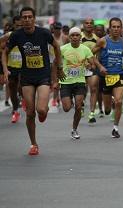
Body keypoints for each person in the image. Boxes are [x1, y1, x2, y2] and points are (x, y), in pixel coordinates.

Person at [2, 7, 64, 155]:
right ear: (21, 19)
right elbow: (5, 52)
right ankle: (33, 144)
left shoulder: (43, 33)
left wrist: (59, 66)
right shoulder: (17, 35)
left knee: (41, 110)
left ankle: (44, 111)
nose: (27, 20)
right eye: (24, 17)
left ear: (34, 19)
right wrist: (5, 70)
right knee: (30, 113)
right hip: (27, 77)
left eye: (30, 17)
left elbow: (56, 46)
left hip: (43, 75)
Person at [59, 27, 101, 139]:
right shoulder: (63, 49)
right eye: (72, 35)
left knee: (78, 107)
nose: (75, 37)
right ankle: (70, 102)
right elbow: (55, 64)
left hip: (80, 81)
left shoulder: (85, 50)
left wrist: (89, 65)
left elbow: (92, 64)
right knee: (67, 108)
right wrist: (55, 78)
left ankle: (74, 129)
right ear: (69, 37)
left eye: (77, 35)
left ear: (80, 37)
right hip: (66, 82)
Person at [92, 17, 123, 138]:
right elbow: (90, 54)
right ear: (109, 28)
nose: (116, 29)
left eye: (118, 27)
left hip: (119, 74)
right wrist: (99, 66)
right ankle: (108, 106)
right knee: (108, 109)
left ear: (121, 28)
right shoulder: (103, 41)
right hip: (106, 76)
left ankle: (115, 128)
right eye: (114, 27)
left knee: (119, 101)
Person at [0, 15, 23, 123]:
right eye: (17, 25)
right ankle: (15, 109)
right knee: (12, 89)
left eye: (21, 25)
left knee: (20, 86)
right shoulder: (9, 35)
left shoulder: (27, 35)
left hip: (24, 67)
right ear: (14, 25)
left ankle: (22, 98)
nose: (19, 27)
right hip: (11, 66)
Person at [81, 18, 99, 124]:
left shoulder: (98, 39)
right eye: (86, 23)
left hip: (93, 67)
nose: (88, 25)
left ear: (93, 26)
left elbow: (99, 54)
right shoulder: (78, 37)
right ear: (83, 25)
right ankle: (81, 105)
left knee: (93, 89)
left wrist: (96, 64)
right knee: (82, 90)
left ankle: (91, 113)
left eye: (90, 23)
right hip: (80, 67)